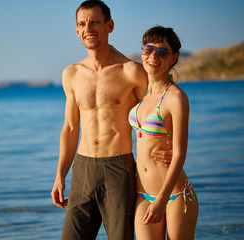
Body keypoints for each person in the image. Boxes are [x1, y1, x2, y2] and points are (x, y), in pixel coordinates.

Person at [51, 1, 173, 239]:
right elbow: (70, 127)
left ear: (110, 26)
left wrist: (171, 147)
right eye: (82, 24)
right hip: (82, 168)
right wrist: (59, 175)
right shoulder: (71, 74)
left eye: (95, 22)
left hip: (118, 168)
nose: (89, 28)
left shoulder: (132, 71)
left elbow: (161, 111)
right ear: (77, 30)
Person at [129, 26, 199, 240]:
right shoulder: (142, 94)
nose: (153, 56)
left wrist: (162, 200)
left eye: (162, 52)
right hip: (143, 194)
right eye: (148, 49)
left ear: (173, 58)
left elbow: (179, 153)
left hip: (175, 195)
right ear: (142, 52)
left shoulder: (176, 98)